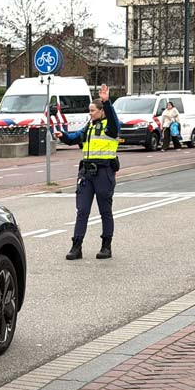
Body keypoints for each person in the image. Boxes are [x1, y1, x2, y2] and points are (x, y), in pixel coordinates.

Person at [54, 84, 120, 261]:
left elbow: (113, 120)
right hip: (87, 173)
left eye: (92, 111)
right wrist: (63, 135)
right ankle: (76, 247)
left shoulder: (111, 127)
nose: (90, 114)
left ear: (101, 111)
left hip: (104, 172)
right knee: (82, 210)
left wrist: (107, 102)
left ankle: (106, 246)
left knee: (105, 211)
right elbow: (74, 138)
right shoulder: (89, 126)